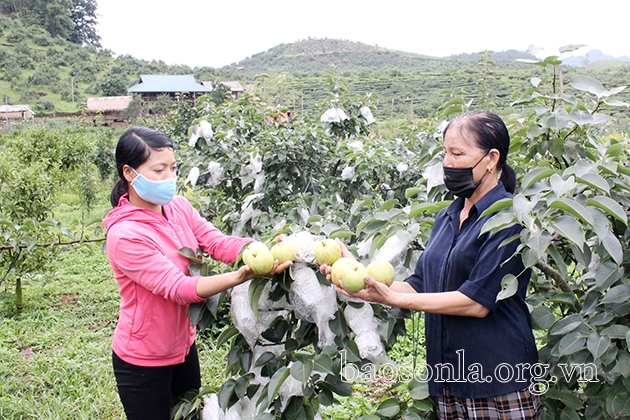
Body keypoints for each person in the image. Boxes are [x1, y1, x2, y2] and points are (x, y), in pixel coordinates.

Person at [325, 111, 540, 419]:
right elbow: (421, 285)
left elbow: (477, 302)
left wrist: (395, 298)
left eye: (458, 153)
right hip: (448, 379)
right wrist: (365, 281)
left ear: (492, 158)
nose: (448, 163)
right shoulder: (448, 216)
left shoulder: (508, 219)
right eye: (445, 153)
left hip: (496, 380)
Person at [103, 126, 290, 420]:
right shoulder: (125, 235)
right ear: (129, 173)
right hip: (143, 360)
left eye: (173, 168)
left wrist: (260, 249)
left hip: (183, 347)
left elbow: (215, 242)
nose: (169, 178)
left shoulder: (176, 207)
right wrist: (238, 277)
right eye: (158, 170)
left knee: (190, 416)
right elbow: (178, 288)